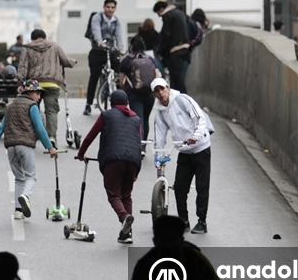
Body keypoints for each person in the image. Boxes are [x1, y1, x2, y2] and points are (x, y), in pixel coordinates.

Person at [76, 89, 142, 243]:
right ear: (127, 103)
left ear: (111, 103)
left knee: (113, 194)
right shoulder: (136, 119)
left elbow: (90, 135)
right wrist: (137, 168)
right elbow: (138, 144)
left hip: (113, 158)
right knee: (126, 195)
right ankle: (127, 234)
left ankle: (124, 217)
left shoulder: (106, 115)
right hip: (133, 160)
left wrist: (81, 154)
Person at [0, 80, 58, 219]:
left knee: (19, 178)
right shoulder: (32, 106)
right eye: (37, 93)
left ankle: (18, 211)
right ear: (29, 92)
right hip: (25, 145)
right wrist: (50, 147)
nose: (39, 97)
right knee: (31, 176)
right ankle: (26, 196)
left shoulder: (10, 106)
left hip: (11, 146)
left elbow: (1, 128)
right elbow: (40, 128)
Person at [151, 78, 211, 234]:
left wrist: (196, 136)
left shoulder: (183, 100)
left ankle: (201, 221)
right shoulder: (160, 114)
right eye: (157, 91)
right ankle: (183, 220)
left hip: (201, 148)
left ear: (168, 88)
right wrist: (159, 162)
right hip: (184, 151)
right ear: (154, 94)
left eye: (162, 89)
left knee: (202, 187)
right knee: (179, 188)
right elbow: (159, 139)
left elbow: (200, 118)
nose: (161, 93)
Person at [15, 28, 75, 147]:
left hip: (33, 86)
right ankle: (51, 137)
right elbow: (65, 61)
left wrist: (20, 83)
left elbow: (23, 66)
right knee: (51, 111)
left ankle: (30, 136)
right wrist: (73, 62)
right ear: (45, 37)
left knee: (32, 110)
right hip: (52, 83)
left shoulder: (27, 48)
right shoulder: (55, 46)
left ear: (32, 39)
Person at [118, 35, 160, 142]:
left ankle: (139, 146)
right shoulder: (150, 59)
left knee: (138, 120)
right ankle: (143, 146)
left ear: (131, 47)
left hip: (134, 95)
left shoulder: (127, 60)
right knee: (145, 119)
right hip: (150, 95)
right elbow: (157, 76)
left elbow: (121, 82)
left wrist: (126, 91)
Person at [85, 0, 121, 115]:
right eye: (108, 7)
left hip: (110, 50)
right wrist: (100, 42)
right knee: (94, 76)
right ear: (104, 7)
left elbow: (119, 35)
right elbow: (96, 31)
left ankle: (120, 101)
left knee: (119, 73)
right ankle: (88, 104)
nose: (110, 10)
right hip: (97, 49)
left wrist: (120, 47)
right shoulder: (97, 18)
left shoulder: (116, 20)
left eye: (112, 7)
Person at [153, 1, 191, 94]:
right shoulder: (180, 13)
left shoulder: (167, 15)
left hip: (175, 49)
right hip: (185, 47)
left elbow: (166, 34)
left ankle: (183, 97)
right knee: (180, 75)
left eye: (158, 13)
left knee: (175, 76)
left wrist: (161, 51)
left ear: (161, 9)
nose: (159, 16)